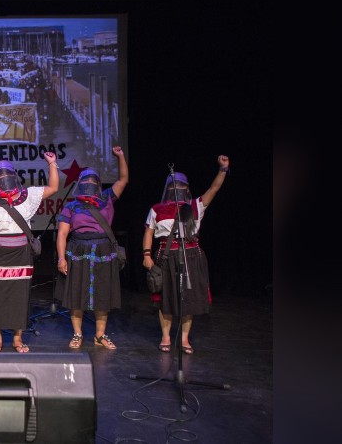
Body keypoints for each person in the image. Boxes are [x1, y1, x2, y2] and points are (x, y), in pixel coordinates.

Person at [0, 153, 59, 353]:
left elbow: (53, 187)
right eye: (0, 175)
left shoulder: (28, 196)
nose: (4, 177)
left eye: (7, 173)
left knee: (20, 295)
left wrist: (52, 163)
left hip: (21, 253)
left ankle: (18, 339)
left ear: (14, 175)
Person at [142, 155, 230, 354]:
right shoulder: (156, 209)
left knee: (188, 300)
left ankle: (183, 339)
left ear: (187, 188)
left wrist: (223, 169)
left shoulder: (195, 206)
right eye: (174, 186)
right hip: (166, 257)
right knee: (165, 300)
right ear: (168, 188)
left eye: (181, 186)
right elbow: (148, 231)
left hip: (191, 256)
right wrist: (146, 254)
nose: (177, 189)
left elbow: (213, 189)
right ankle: (165, 337)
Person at [55, 146, 128, 350]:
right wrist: (61, 258)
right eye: (85, 180)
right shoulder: (71, 206)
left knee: (102, 294)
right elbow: (62, 233)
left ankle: (100, 334)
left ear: (98, 183)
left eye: (92, 180)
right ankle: (77, 334)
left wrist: (120, 156)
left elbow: (123, 180)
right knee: (77, 294)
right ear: (80, 184)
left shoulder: (106, 198)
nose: (88, 184)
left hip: (103, 251)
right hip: (78, 250)